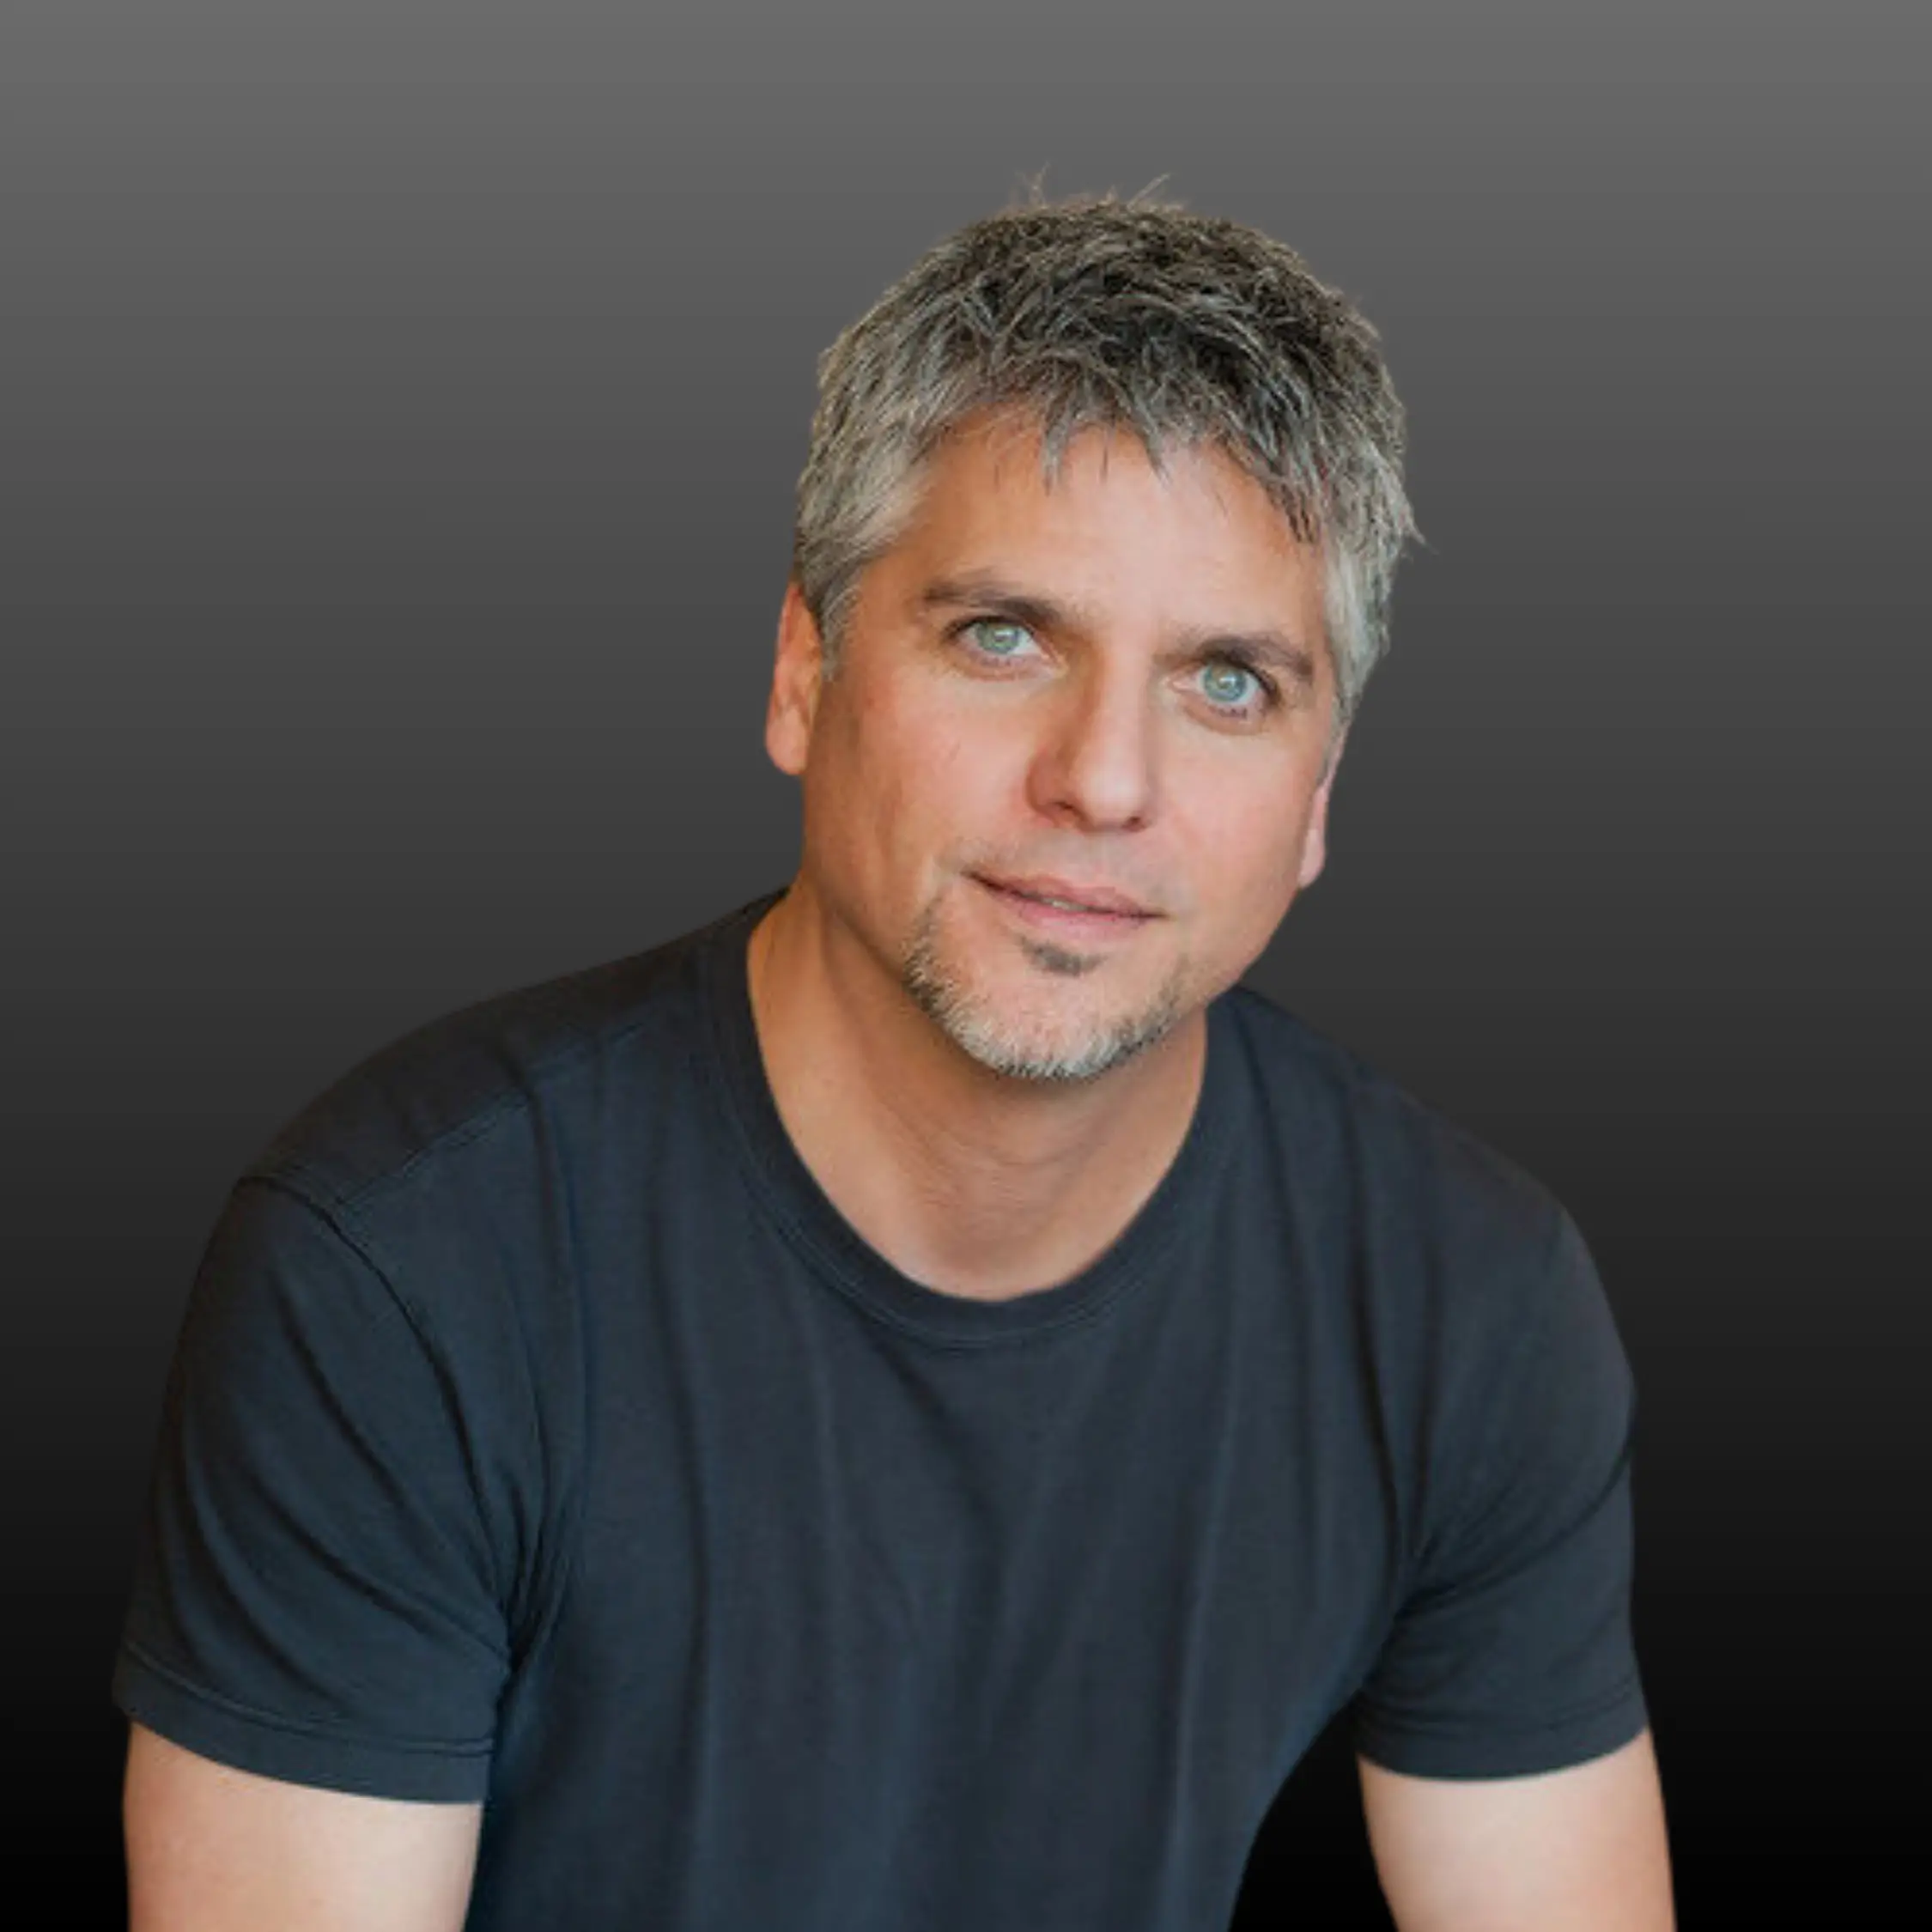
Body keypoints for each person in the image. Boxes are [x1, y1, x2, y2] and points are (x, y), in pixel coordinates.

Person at [116, 194, 1674, 1930]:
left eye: (1229, 683)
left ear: (1318, 798)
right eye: (1005, 636)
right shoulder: (403, 1271)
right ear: (805, 670)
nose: (1105, 779)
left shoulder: (1465, 1305)